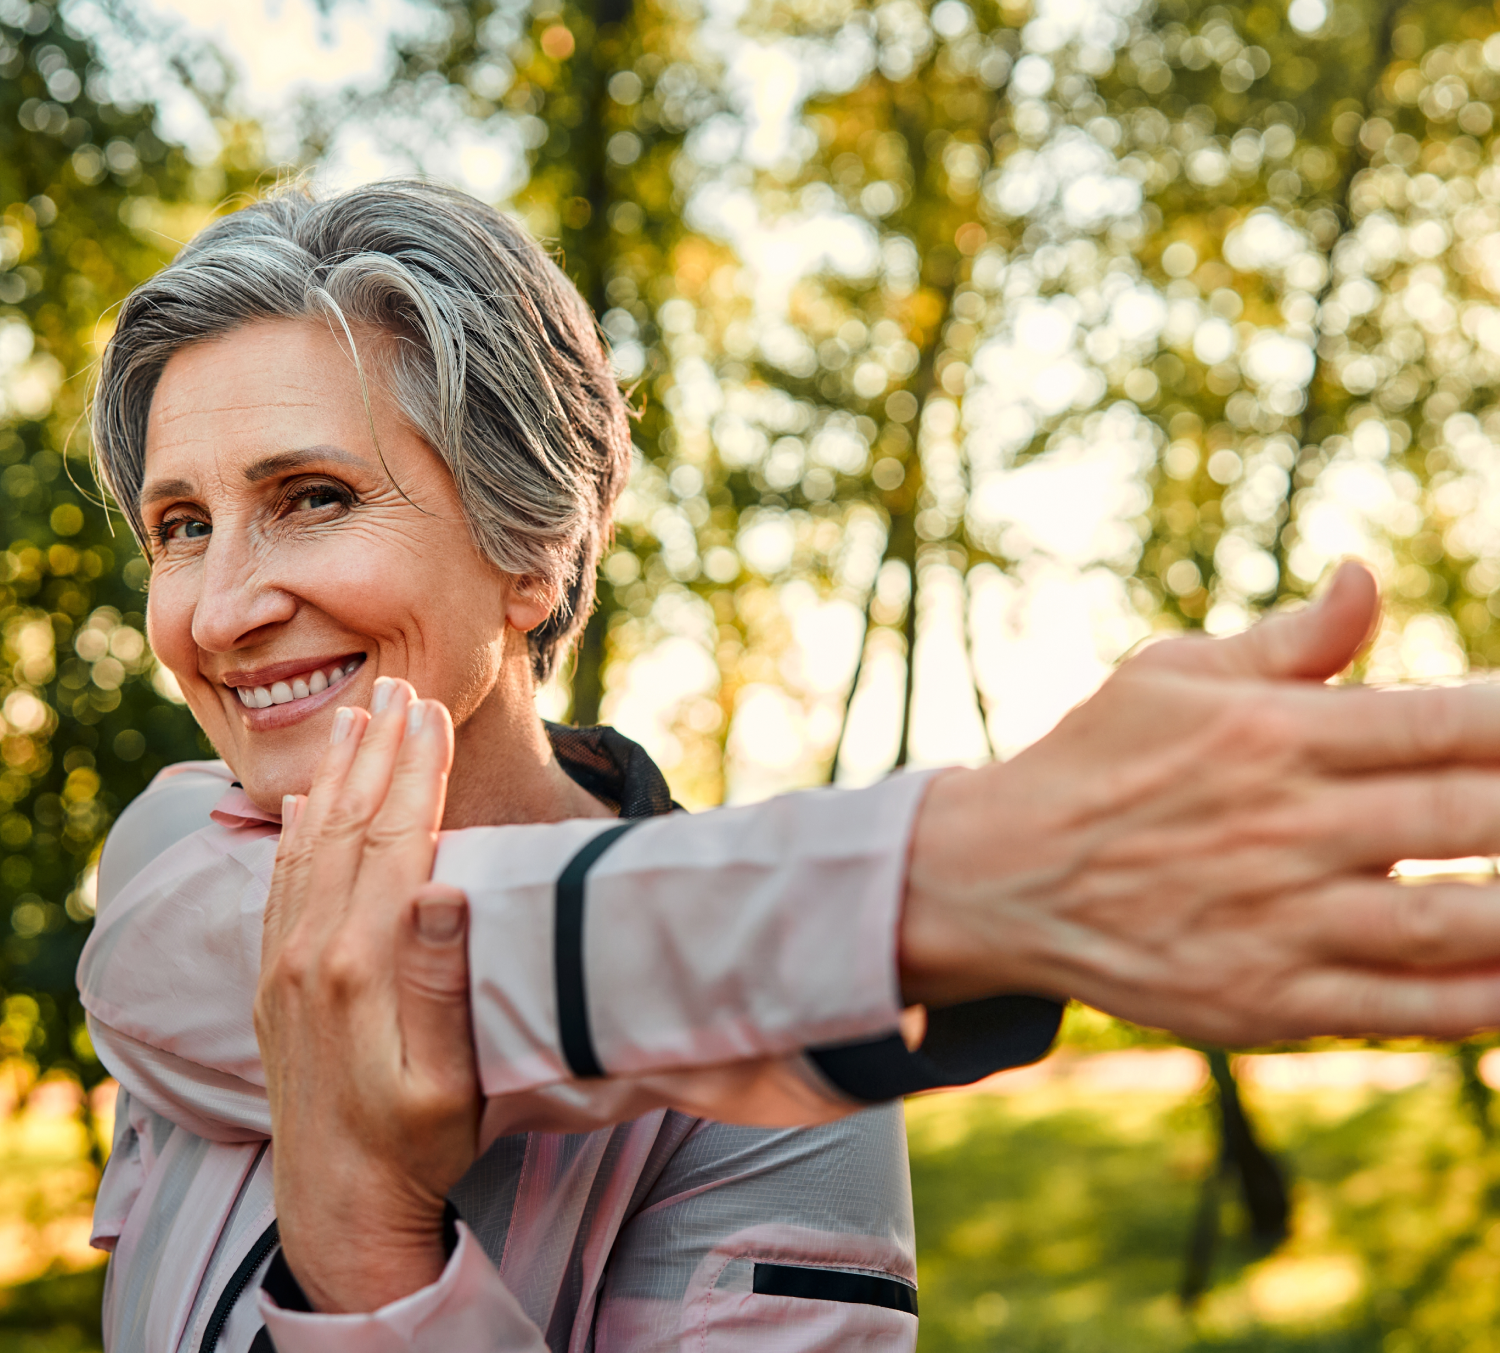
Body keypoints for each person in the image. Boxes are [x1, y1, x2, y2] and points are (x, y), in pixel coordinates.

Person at [77, 181, 1500, 1352]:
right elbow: (371, 965)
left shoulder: (778, 1128)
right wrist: (955, 878)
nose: (217, 608)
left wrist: (374, 1265)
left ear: (529, 547)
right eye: (181, 526)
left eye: (312, 498)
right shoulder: (171, 858)